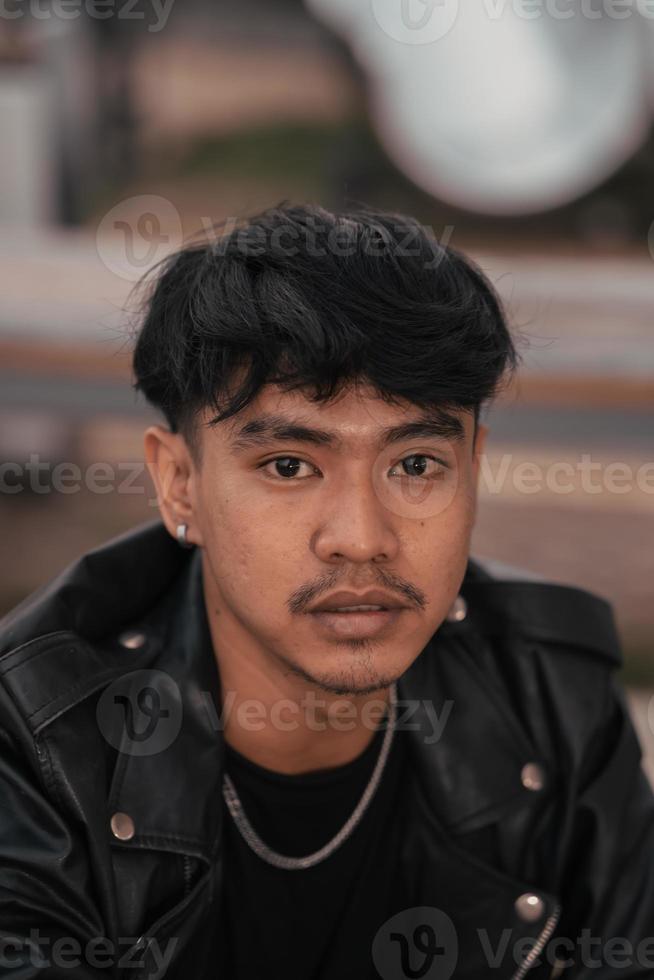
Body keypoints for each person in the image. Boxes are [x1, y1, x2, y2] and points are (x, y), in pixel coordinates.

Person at [0, 203, 652, 979]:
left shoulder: (553, 696)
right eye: (288, 466)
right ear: (179, 485)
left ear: (473, 469)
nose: (362, 537)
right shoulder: (36, 740)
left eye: (414, 465)